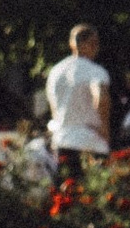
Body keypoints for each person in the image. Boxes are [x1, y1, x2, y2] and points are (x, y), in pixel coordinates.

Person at [45, 23, 112, 170]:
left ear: (71, 43)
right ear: (90, 44)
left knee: (67, 189)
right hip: (91, 140)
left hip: (63, 140)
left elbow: (53, 106)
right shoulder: (95, 71)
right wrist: (105, 129)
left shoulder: (56, 71)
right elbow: (101, 97)